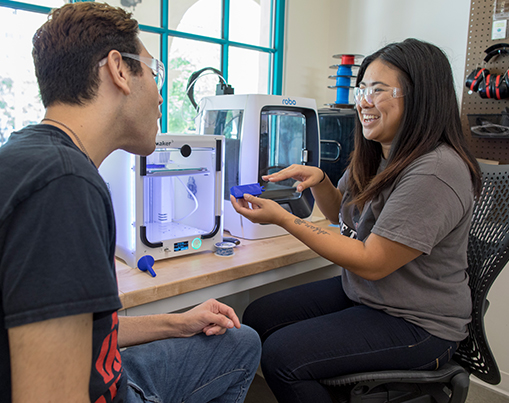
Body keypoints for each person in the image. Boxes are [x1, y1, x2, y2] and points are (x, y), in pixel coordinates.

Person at [0, 2, 261, 402]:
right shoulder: (65, 186)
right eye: (155, 73)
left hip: (104, 369)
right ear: (119, 69)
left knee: (241, 341)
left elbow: (83, 330)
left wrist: (181, 323)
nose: (160, 97)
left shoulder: (29, 154)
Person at [230, 38, 482, 403]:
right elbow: (343, 216)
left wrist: (285, 220)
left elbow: (372, 261)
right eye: (362, 89)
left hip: (420, 323)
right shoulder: (382, 152)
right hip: (371, 296)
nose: (362, 101)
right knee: (258, 315)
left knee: (284, 356)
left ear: (421, 96)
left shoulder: (436, 171)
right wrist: (320, 182)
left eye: (377, 91)